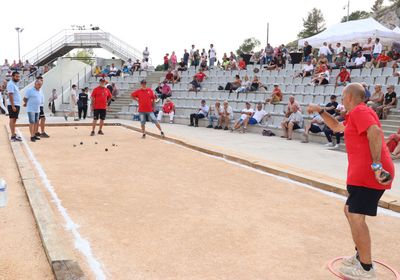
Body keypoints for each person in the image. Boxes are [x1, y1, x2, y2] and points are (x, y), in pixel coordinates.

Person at [307, 83, 394, 280]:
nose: (342, 100)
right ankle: (360, 256)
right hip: (362, 174)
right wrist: (321, 111)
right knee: (349, 211)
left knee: (355, 216)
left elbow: (375, 133)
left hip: (371, 174)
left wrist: (377, 167)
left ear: (348, 97)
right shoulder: (355, 115)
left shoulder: (360, 111)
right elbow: (337, 127)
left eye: (343, 96)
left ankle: (365, 268)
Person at [6, 71, 22, 142]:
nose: (18, 78)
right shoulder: (11, 84)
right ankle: (13, 136)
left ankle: (14, 134)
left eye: (18, 76)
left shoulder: (14, 84)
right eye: (16, 76)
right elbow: (10, 95)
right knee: (12, 119)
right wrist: (13, 106)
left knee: (14, 120)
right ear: (12, 76)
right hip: (13, 105)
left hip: (16, 104)